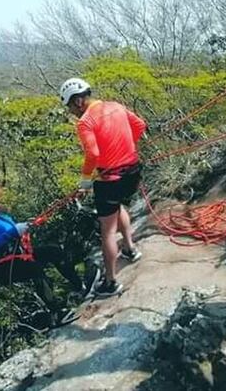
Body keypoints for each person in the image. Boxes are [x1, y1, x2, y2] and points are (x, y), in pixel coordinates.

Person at [0, 172, 99, 325]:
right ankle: (56, 313)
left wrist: (25, 226)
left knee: (53, 251)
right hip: (2, 266)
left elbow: (10, 231)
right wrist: (13, 232)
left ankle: (80, 287)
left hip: (18, 255)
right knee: (33, 268)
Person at [59, 77, 146, 297]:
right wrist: (125, 146)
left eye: (70, 106)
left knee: (107, 230)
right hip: (133, 171)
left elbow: (93, 154)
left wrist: (86, 181)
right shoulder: (116, 106)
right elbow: (140, 125)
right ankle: (130, 248)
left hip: (111, 179)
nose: (71, 112)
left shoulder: (86, 122)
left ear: (78, 101)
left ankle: (110, 281)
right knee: (119, 208)